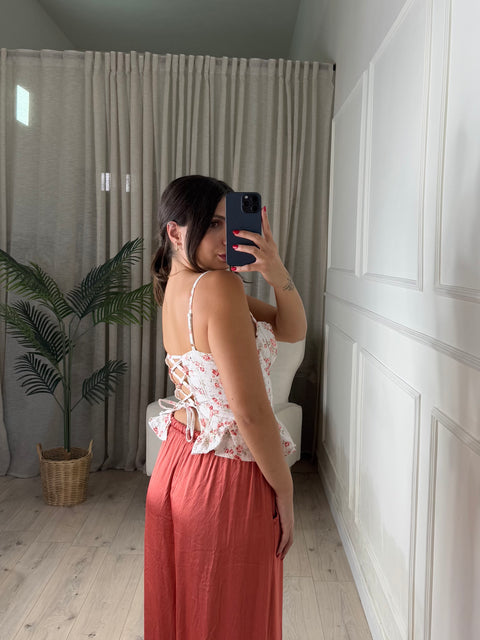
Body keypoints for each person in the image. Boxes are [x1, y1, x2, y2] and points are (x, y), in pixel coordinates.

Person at [144, 175, 307, 640]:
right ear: (175, 232)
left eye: (227, 222)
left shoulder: (178, 286)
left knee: (189, 613)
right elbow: (249, 412)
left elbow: (290, 328)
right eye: (212, 224)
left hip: (178, 462)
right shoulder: (218, 288)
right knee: (231, 619)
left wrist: (276, 272)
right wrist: (286, 492)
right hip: (223, 475)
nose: (225, 237)